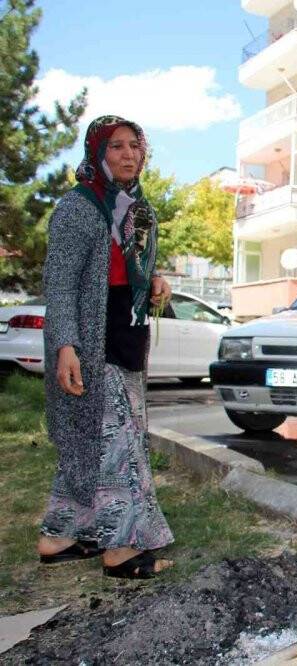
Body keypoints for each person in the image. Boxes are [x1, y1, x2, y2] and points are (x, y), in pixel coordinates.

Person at [36, 115, 175, 579]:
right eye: (116, 146)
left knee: (95, 440)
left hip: (126, 334)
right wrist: (65, 346)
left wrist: (155, 281)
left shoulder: (139, 209)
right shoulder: (78, 207)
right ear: (97, 153)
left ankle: (59, 536)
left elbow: (131, 269)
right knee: (120, 443)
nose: (128, 154)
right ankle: (122, 548)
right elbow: (60, 284)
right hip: (92, 341)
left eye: (135, 145)